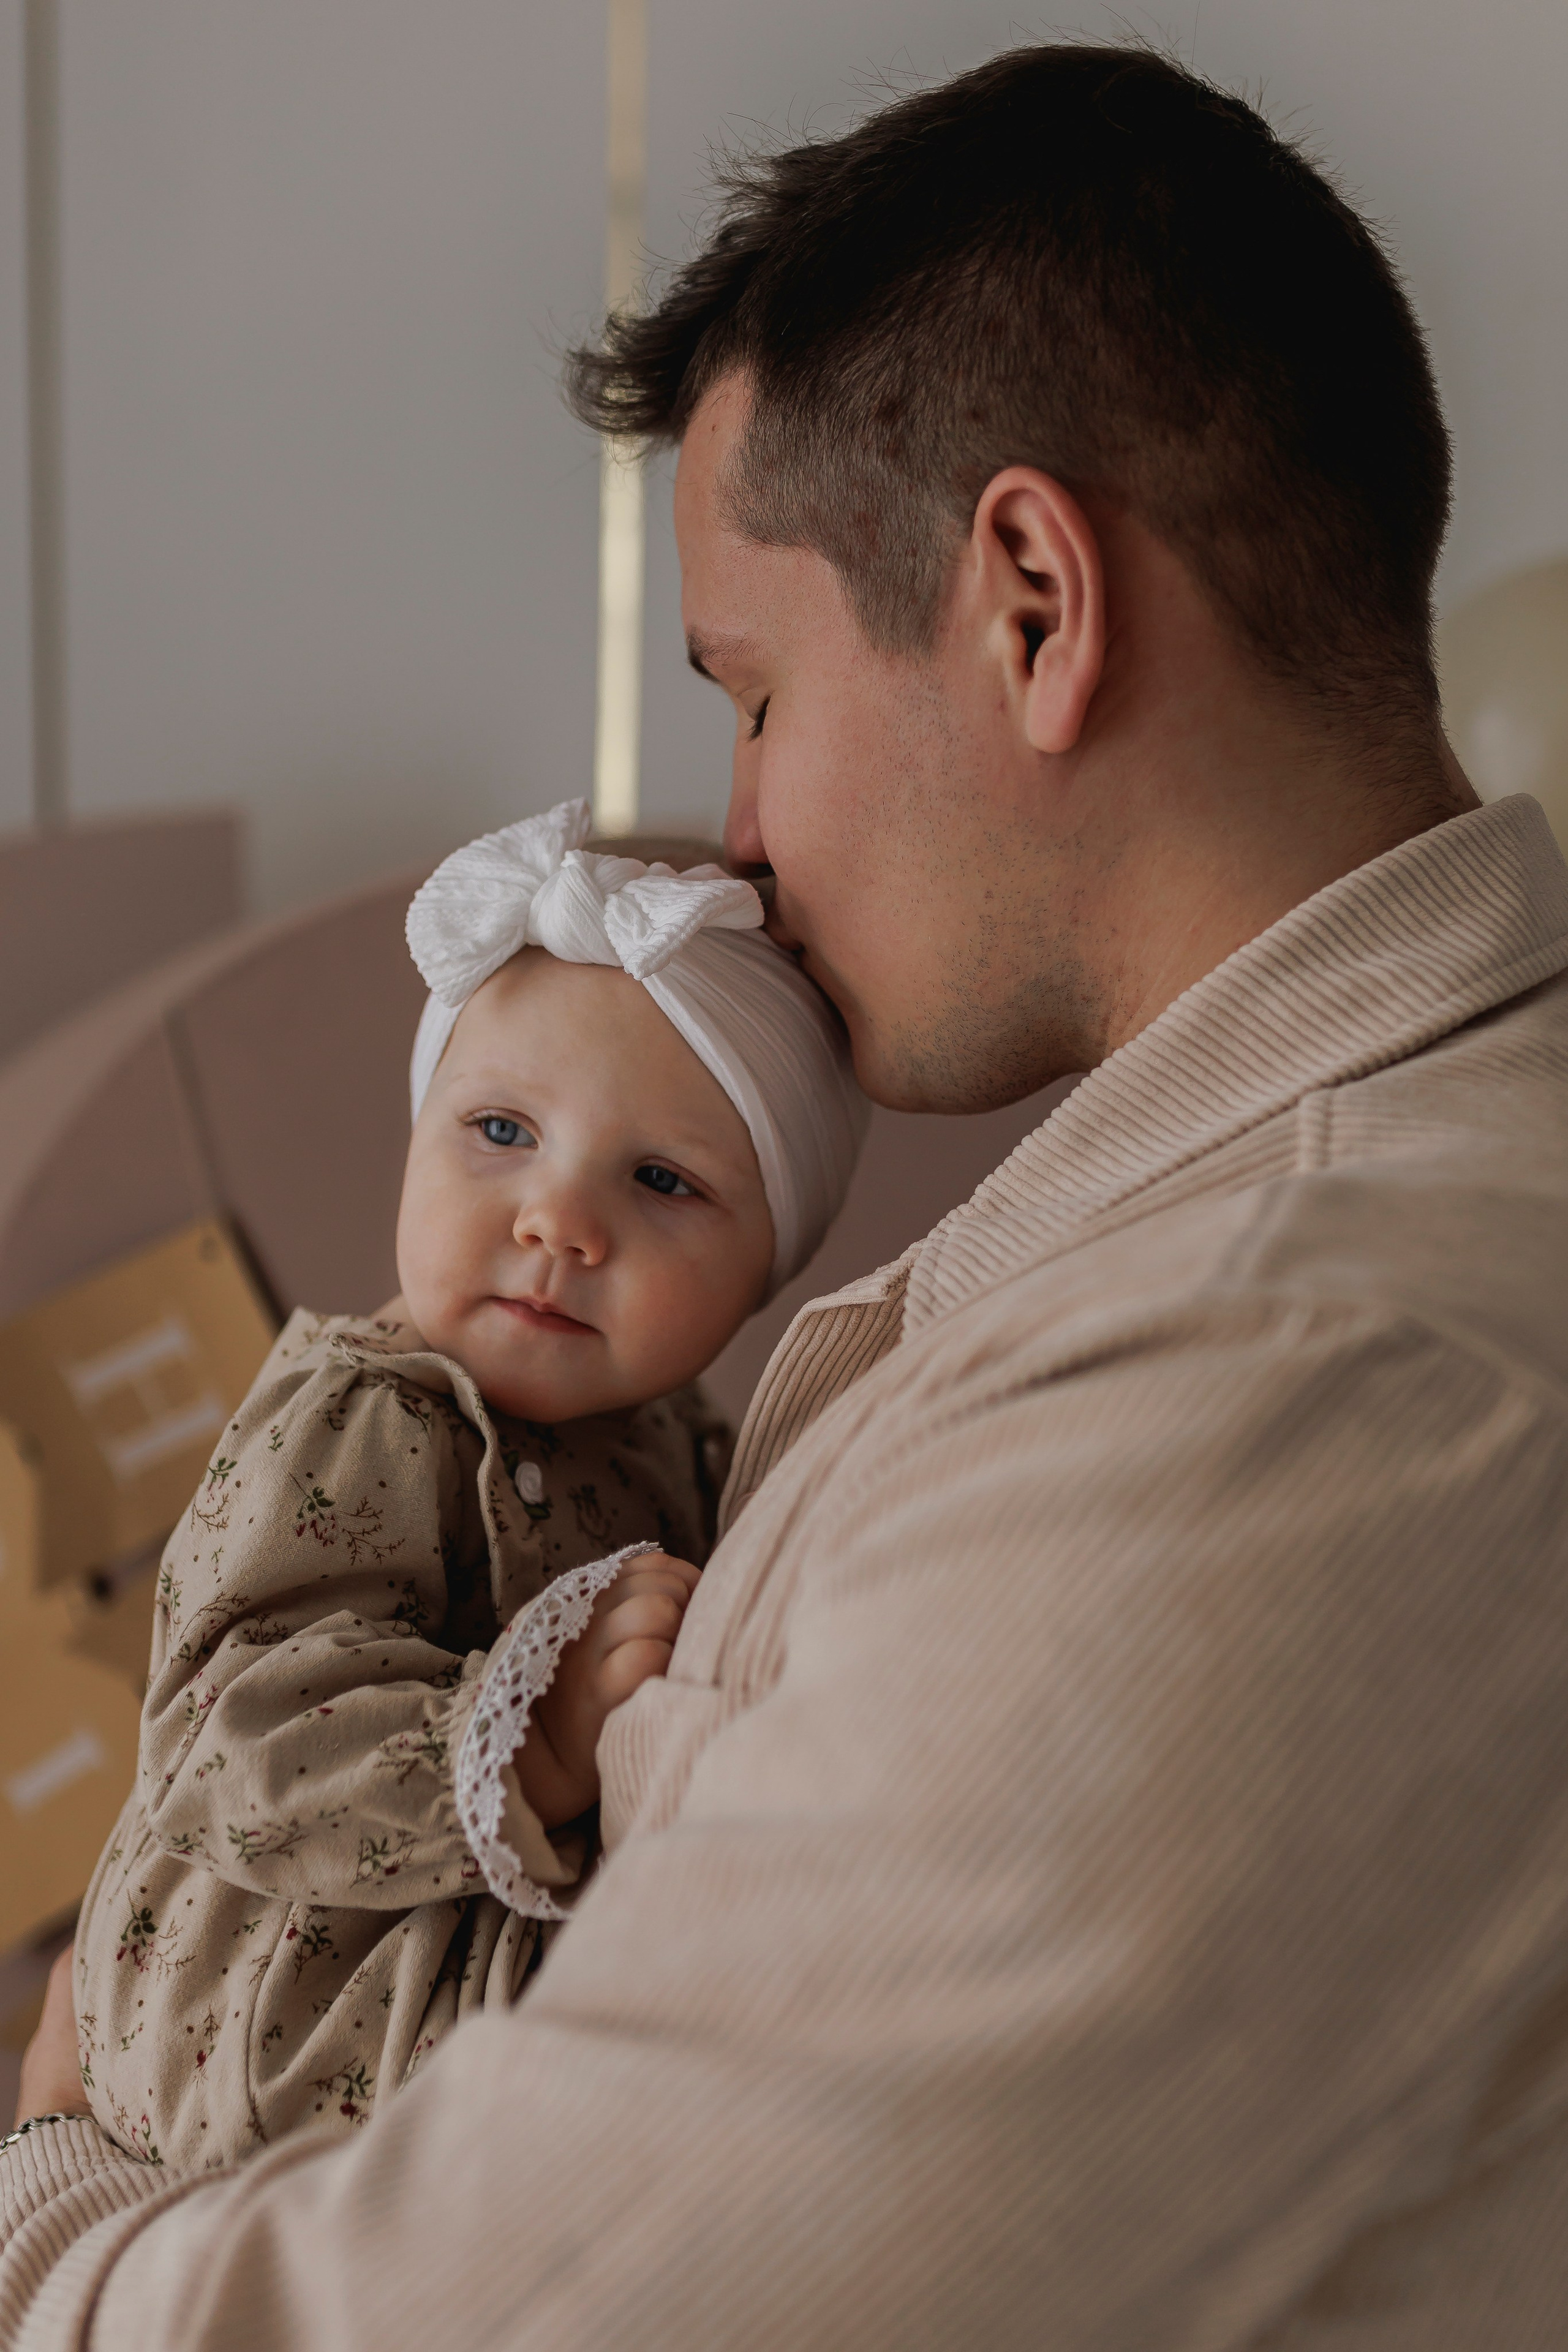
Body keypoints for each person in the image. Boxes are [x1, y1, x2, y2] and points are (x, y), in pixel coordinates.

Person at [7, 40, 1568, 2349]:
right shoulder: (1229, 1216)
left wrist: (46, 2193)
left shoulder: (1312, 1379)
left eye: (750, 692)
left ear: (1034, 602)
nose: (735, 833)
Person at [70, 799, 865, 2171]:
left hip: (465, 1931)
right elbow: (225, 1735)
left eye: (663, 1179)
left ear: (764, 1275)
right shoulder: (362, 1416)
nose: (557, 1218)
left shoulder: (682, 1438)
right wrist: (530, 1737)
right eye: (499, 1129)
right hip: (273, 1987)